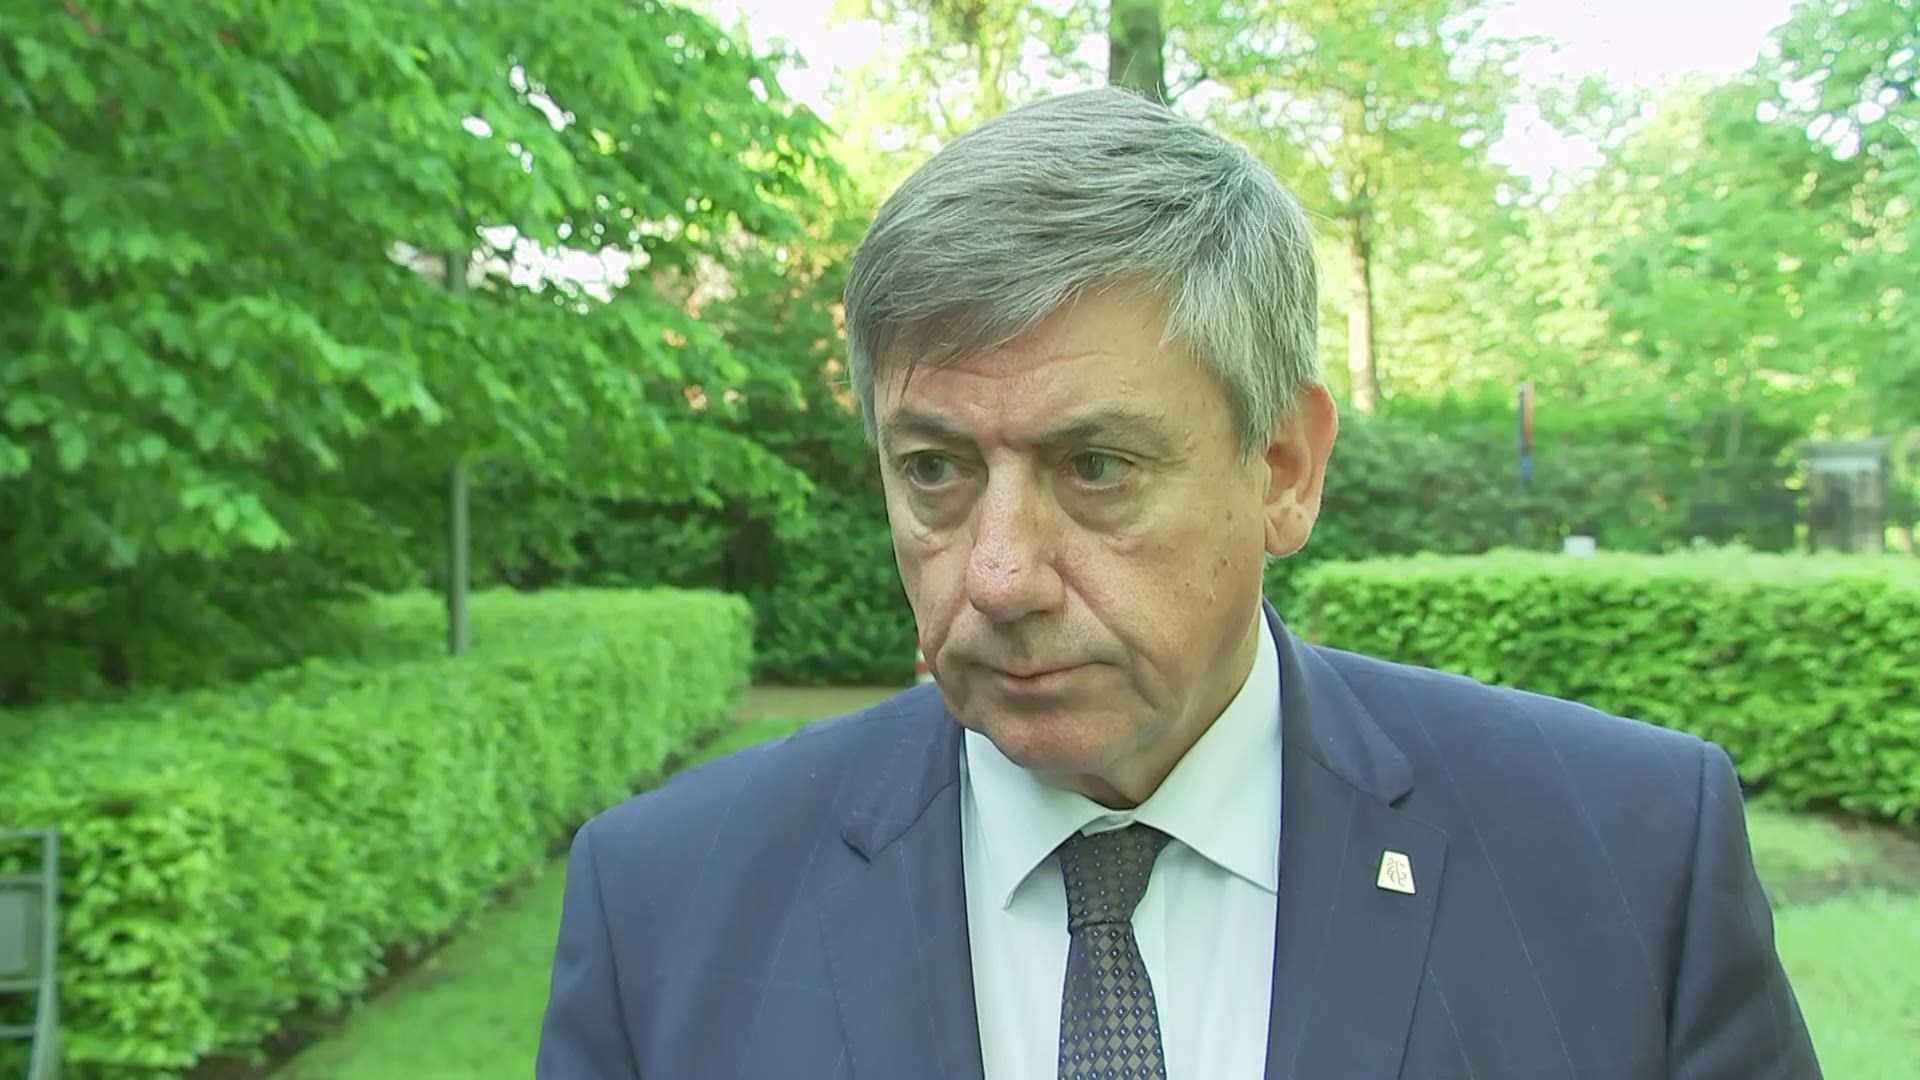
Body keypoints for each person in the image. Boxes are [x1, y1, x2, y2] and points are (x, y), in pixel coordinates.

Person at [537, 87, 1821, 1079]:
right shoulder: (661, 907)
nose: (1000, 576)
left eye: (1096, 466)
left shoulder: (1627, 864)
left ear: (1285, 469)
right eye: (934, 470)